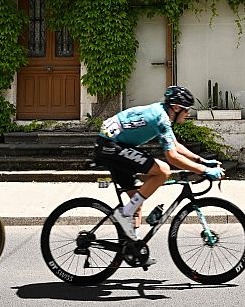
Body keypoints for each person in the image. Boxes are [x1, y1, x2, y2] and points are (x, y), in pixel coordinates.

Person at [94, 86, 225, 246]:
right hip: (111, 145)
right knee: (163, 171)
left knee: (136, 202)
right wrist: (205, 171)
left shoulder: (162, 113)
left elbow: (175, 145)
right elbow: (172, 157)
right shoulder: (160, 118)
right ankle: (124, 214)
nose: (188, 114)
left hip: (114, 144)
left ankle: (131, 248)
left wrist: (202, 161)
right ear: (176, 107)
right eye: (186, 109)